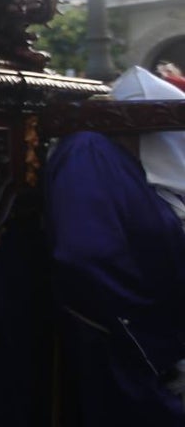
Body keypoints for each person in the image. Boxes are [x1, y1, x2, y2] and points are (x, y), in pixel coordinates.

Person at [45, 66, 185, 426]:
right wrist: (146, 326)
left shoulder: (129, 162)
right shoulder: (89, 149)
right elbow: (85, 253)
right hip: (115, 342)